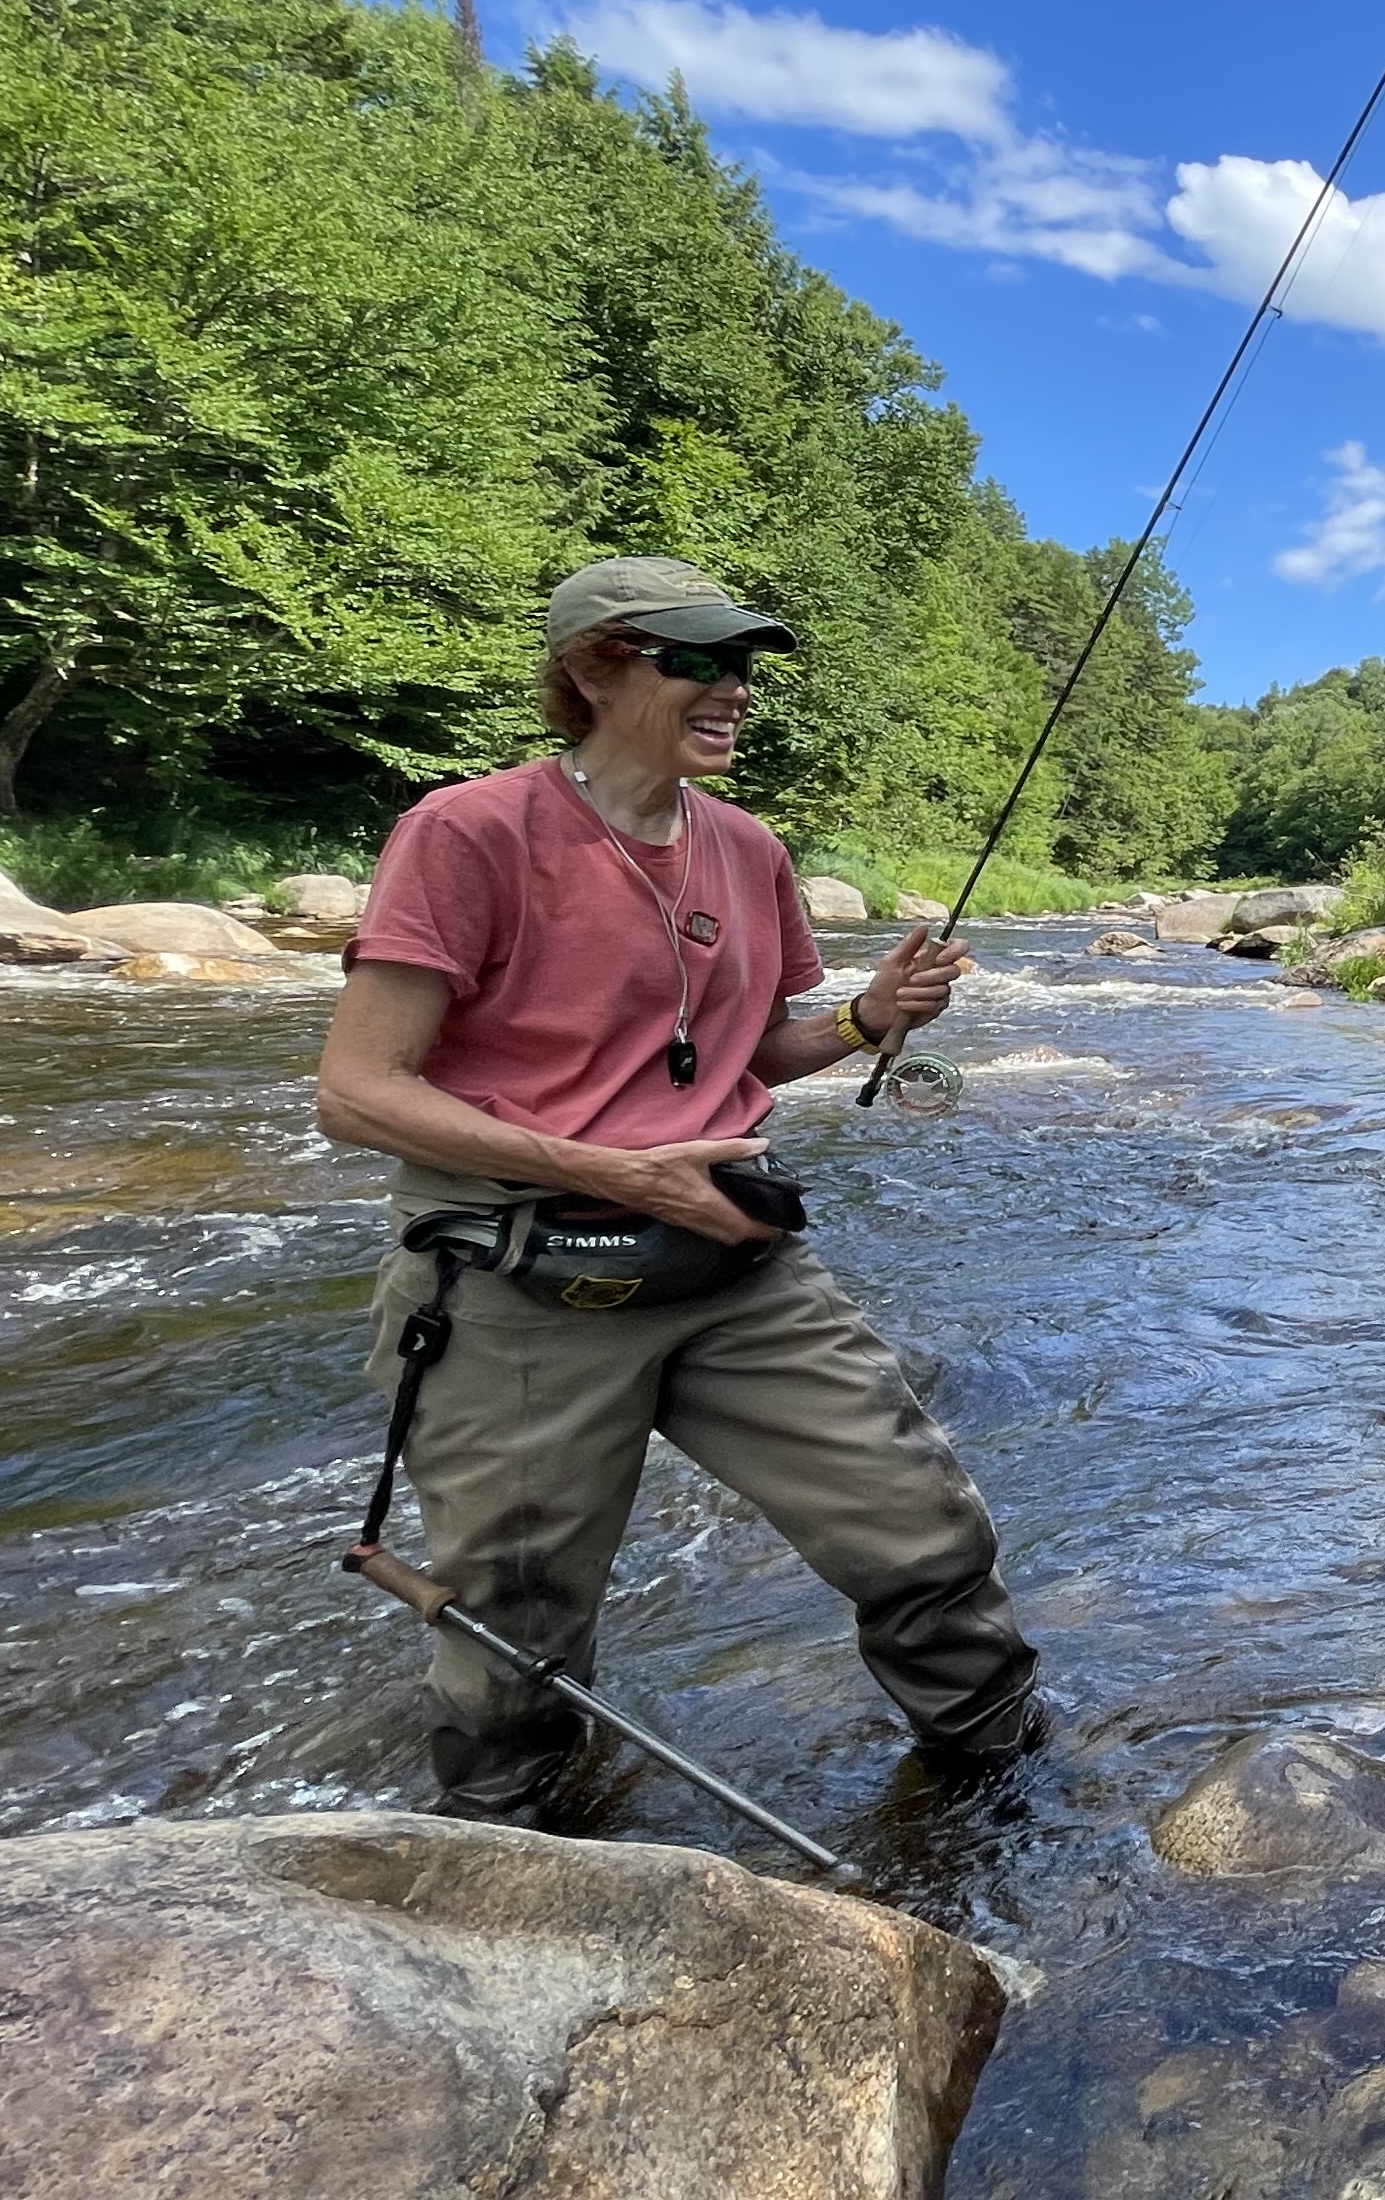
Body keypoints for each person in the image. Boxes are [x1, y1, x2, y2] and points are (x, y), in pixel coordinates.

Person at [314, 554, 1040, 1821]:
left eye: (743, 664)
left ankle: (1000, 1785)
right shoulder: (466, 832)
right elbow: (359, 1091)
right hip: (516, 1279)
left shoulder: (754, 851)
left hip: (734, 1263)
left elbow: (760, 1049)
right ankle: (506, 1843)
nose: (734, 689)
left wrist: (869, 1018)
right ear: (595, 670)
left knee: (922, 1530)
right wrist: (614, 1169)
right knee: (513, 1633)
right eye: (697, 660)